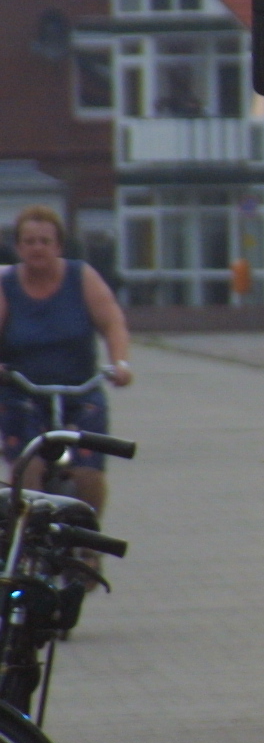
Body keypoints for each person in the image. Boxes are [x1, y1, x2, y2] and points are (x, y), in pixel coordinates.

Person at [0, 207, 132, 515]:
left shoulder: (81, 277)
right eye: (29, 242)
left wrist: (120, 364)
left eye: (45, 241)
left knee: (88, 474)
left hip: (79, 391)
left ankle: (87, 537)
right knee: (28, 469)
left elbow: (113, 323)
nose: (37, 248)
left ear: (59, 246)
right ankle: (27, 533)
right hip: (23, 393)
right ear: (18, 247)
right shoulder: (7, 285)